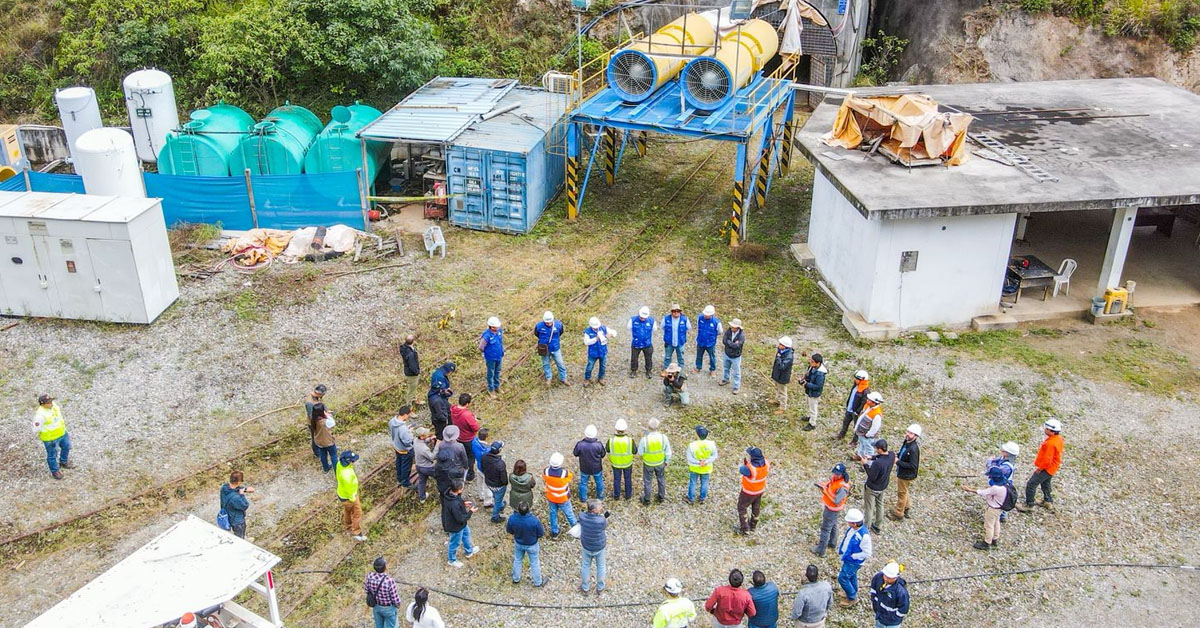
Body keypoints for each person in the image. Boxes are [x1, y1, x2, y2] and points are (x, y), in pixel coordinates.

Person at [1018, 419, 1064, 512]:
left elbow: (1047, 460)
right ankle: (1048, 501)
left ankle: (1029, 505)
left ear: (1052, 431)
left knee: (1031, 484)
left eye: (1046, 429)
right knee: (1045, 483)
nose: (1045, 430)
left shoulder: (1050, 444)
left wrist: (1040, 469)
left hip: (1046, 468)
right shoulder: (1058, 439)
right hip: (1053, 468)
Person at [961, 466, 1010, 550]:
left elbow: (983, 492)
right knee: (996, 522)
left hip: (993, 508)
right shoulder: (1006, 484)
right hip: (1000, 508)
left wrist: (969, 489)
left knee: (989, 525)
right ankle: (995, 539)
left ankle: (987, 543)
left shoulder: (995, 488)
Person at [811, 463, 850, 557]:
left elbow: (836, 501)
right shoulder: (836, 480)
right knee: (833, 525)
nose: (835, 475)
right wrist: (823, 485)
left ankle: (820, 550)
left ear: (842, 474)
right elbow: (830, 484)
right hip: (831, 509)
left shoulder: (843, 487)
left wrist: (825, 492)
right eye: (834, 473)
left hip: (832, 509)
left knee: (825, 529)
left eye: (837, 474)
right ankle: (832, 543)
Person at [836, 508, 872, 607]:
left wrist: (854, 556)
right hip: (848, 559)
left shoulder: (864, 536)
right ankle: (852, 590)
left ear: (855, 524)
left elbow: (867, 553)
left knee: (842, 578)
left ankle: (852, 597)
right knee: (851, 576)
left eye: (849, 522)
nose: (847, 523)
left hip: (854, 562)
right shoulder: (852, 529)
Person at [506, 502, 546, 586]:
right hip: (532, 544)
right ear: (528, 509)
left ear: (518, 509)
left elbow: (509, 531)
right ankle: (538, 582)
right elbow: (541, 533)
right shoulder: (534, 520)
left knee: (517, 560)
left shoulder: (512, 519)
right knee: (534, 563)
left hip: (519, 543)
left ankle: (516, 579)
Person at [860, 439, 895, 535]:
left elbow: (871, 476)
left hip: (872, 488)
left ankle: (866, 528)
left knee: (869, 508)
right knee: (880, 505)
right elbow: (882, 456)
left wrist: (865, 464)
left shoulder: (878, 464)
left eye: (876, 448)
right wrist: (871, 457)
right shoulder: (891, 455)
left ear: (879, 449)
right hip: (883, 486)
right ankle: (877, 525)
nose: (875, 449)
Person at [442, 479, 478, 567]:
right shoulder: (453, 504)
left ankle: (469, 551)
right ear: (459, 489)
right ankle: (451, 560)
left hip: (461, 525)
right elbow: (460, 519)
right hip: (455, 526)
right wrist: (470, 512)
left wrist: (463, 504)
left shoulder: (450, 495)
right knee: (454, 543)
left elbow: (458, 502)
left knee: (466, 534)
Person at [33, 394, 71, 479]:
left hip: (62, 433)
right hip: (51, 439)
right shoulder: (40, 416)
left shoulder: (54, 405)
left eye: (51, 400)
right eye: (48, 402)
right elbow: (35, 429)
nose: (51, 403)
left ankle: (63, 462)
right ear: (42, 404)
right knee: (52, 455)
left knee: (67, 447)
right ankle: (55, 471)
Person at [890, 424, 922, 521]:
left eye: (911, 433)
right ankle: (906, 507)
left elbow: (913, 466)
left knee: (902, 493)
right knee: (905, 491)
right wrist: (898, 455)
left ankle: (899, 513)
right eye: (908, 432)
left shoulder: (913, 449)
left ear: (916, 436)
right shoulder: (906, 442)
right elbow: (902, 452)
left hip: (906, 475)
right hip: (903, 473)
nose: (907, 434)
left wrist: (898, 462)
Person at [542, 452, 577, 537]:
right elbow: (570, 476)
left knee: (553, 514)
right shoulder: (564, 473)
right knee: (569, 513)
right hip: (563, 498)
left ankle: (554, 532)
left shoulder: (546, 471)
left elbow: (544, 478)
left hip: (551, 497)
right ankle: (576, 529)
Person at [638, 418, 672, 505]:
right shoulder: (664, 438)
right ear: (658, 426)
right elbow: (668, 452)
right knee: (661, 479)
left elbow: (640, 453)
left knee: (648, 481)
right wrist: (666, 461)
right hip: (660, 463)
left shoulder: (644, 440)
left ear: (648, 427)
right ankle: (661, 496)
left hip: (648, 464)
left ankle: (647, 499)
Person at [579, 499, 609, 594]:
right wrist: (604, 517)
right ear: (594, 510)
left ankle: (585, 587)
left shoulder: (582, 516)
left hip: (586, 546)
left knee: (585, 566)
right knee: (600, 566)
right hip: (599, 547)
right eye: (599, 506)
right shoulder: (601, 520)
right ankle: (600, 587)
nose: (601, 507)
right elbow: (604, 526)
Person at [336, 450, 367, 541]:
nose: (354, 462)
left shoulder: (339, 464)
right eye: (352, 460)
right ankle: (356, 532)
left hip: (342, 494)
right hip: (350, 496)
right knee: (358, 513)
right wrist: (353, 498)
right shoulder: (347, 474)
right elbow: (349, 489)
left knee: (347, 511)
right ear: (348, 461)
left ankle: (348, 527)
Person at [738, 446, 770, 534]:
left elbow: (741, 470)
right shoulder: (766, 463)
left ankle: (745, 529)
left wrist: (746, 464)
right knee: (756, 507)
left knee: (742, 508)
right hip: (760, 490)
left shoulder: (750, 469)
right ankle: (753, 525)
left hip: (748, 491)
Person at [870, 561, 910, 628]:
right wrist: (875, 603)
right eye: (885, 575)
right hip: (879, 616)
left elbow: (903, 609)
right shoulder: (878, 578)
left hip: (892, 623)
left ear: (896, 577)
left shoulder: (901, 592)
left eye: (889, 577)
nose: (885, 578)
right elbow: (873, 590)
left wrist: (893, 617)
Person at [685, 425, 718, 505]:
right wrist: (705, 462)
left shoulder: (692, 445)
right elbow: (714, 456)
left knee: (693, 483)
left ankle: (690, 498)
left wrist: (698, 462)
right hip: (706, 468)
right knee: (705, 483)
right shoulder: (711, 444)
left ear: (696, 435)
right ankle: (702, 498)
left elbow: (689, 458)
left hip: (694, 468)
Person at [434, 425, 468, 502]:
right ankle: (456, 499)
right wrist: (466, 467)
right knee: (456, 486)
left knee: (445, 485)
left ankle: (445, 498)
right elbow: (464, 459)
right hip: (456, 470)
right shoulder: (459, 446)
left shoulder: (441, 444)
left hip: (444, 469)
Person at [450, 394, 480, 482]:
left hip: (458, 437)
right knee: (470, 456)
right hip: (468, 439)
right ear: (467, 404)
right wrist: (474, 420)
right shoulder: (466, 415)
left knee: (460, 455)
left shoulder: (453, 409)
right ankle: (469, 475)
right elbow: (475, 428)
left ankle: (460, 471)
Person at [535, 311, 569, 387]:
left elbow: (561, 332)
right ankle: (549, 378)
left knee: (560, 363)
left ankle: (563, 378)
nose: (549, 324)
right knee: (546, 363)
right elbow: (536, 334)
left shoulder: (558, 325)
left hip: (555, 348)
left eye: (550, 322)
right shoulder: (539, 326)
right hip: (544, 349)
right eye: (547, 323)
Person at [573, 424, 607, 501]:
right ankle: (600, 497)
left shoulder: (580, 444)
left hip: (584, 467)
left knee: (583, 483)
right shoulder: (598, 444)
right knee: (599, 482)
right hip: (596, 468)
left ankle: (583, 498)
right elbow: (603, 454)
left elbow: (575, 453)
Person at [365, 556, 400, 628]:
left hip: (376, 606)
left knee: (378, 625)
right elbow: (395, 598)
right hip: (388, 608)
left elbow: (366, 590)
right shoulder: (389, 581)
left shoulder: (369, 576)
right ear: (385, 567)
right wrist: (398, 604)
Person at [838, 370, 871, 442]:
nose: (855, 380)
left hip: (856, 412)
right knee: (845, 422)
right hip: (849, 409)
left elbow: (863, 403)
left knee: (856, 427)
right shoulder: (855, 386)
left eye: (857, 379)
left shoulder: (865, 391)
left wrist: (857, 411)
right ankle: (841, 435)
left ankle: (854, 441)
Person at [606, 419, 636, 500]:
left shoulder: (611, 440)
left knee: (617, 479)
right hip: (627, 463)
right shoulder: (630, 440)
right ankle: (628, 495)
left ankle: (616, 495)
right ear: (625, 429)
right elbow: (635, 451)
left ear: (616, 429)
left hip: (616, 463)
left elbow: (607, 450)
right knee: (627, 479)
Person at [220, 470, 254, 539]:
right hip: (237, 521)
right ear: (238, 482)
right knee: (239, 537)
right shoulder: (236, 498)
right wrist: (242, 494)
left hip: (227, 515)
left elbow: (234, 489)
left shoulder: (224, 487)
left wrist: (244, 489)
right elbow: (244, 505)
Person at [481, 440, 509, 522]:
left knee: (495, 496)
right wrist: (505, 484)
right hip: (498, 486)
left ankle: (500, 504)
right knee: (498, 500)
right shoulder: (500, 464)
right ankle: (495, 516)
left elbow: (482, 468)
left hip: (488, 482)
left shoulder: (484, 456)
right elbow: (504, 479)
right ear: (499, 450)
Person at [583, 317, 615, 386]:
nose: (596, 328)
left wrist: (611, 334)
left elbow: (614, 332)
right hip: (593, 353)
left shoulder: (603, 328)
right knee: (590, 366)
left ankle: (601, 378)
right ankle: (587, 378)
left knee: (603, 366)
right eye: (594, 327)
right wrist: (595, 339)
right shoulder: (587, 332)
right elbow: (586, 342)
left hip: (603, 352)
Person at [388, 406, 415, 489]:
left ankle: (399, 478)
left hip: (397, 446)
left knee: (399, 463)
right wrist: (410, 433)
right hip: (405, 450)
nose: (409, 417)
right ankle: (405, 482)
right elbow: (407, 442)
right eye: (408, 415)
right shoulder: (403, 428)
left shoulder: (392, 421)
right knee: (406, 467)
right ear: (405, 415)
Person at [799, 353, 827, 431]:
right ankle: (809, 416)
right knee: (808, 404)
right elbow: (808, 375)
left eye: (812, 361)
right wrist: (803, 379)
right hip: (809, 391)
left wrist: (807, 384)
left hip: (814, 394)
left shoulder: (820, 374)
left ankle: (812, 423)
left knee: (813, 408)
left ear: (818, 363)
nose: (810, 362)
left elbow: (818, 386)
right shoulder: (812, 367)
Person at [629, 306, 658, 379]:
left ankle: (648, 371)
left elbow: (655, 329)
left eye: (644, 317)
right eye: (641, 317)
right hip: (636, 343)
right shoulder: (632, 320)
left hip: (647, 343)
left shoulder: (652, 321)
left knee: (648, 358)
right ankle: (633, 371)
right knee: (634, 358)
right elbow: (629, 327)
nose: (642, 318)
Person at [853, 392, 884, 460]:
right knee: (861, 445)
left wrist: (868, 434)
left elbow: (875, 427)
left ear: (874, 402)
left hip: (867, 435)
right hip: (861, 432)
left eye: (869, 400)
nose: (867, 400)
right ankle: (860, 455)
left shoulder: (877, 414)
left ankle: (869, 463)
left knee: (869, 449)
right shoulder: (867, 406)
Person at [694, 305, 722, 375]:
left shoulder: (716, 322)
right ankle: (698, 367)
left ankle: (712, 369)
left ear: (712, 314)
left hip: (710, 343)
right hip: (700, 341)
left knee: (712, 356)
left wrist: (713, 337)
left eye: (707, 315)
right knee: (699, 355)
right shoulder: (700, 318)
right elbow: (698, 327)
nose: (705, 316)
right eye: (705, 314)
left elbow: (720, 331)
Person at [480, 316, 505, 396]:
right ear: (491, 326)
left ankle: (497, 386)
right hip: (491, 358)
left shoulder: (499, 331)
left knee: (497, 371)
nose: (497, 328)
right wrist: (488, 353)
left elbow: (500, 342)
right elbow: (481, 347)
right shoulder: (486, 336)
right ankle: (491, 389)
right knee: (491, 373)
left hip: (499, 356)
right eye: (495, 327)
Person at [719, 318, 745, 394]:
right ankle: (725, 379)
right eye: (731, 326)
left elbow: (737, 346)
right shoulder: (728, 331)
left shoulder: (741, 336)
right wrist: (732, 343)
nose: (732, 328)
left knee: (736, 372)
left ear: (738, 328)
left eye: (734, 327)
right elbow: (724, 341)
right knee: (726, 368)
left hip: (736, 356)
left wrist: (729, 342)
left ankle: (736, 387)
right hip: (727, 354)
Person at [310, 402, 338, 473]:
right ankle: (337, 471)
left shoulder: (313, 420)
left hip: (318, 441)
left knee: (323, 455)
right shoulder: (325, 422)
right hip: (328, 442)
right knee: (333, 456)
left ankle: (326, 468)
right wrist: (326, 414)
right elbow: (333, 423)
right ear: (322, 412)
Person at [661, 304, 691, 369]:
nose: (676, 313)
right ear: (671, 312)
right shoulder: (666, 319)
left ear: (680, 312)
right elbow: (663, 327)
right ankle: (666, 369)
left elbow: (688, 328)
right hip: (669, 342)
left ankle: (680, 370)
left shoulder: (685, 319)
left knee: (681, 357)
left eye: (678, 311)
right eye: (674, 311)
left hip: (680, 342)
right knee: (667, 357)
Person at [413, 428, 438, 502]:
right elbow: (432, 457)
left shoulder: (415, 440)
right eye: (426, 434)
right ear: (421, 436)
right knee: (440, 477)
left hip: (418, 466)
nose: (428, 434)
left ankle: (422, 498)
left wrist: (430, 439)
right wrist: (437, 446)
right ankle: (441, 493)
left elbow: (423, 441)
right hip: (428, 468)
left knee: (422, 481)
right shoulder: (424, 448)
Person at [770, 337, 794, 413]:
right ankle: (777, 400)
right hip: (777, 375)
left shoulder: (789, 356)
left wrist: (779, 358)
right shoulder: (780, 351)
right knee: (777, 388)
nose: (778, 345)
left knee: (782, 392)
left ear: (785, 346)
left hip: (782, 377)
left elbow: (782, 366)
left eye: (780, 344)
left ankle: (783, 407)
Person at [470, 427, 493, 506]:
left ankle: (481, 495)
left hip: (478, 465)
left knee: (479, 481)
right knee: (487, 485)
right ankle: (487, 502)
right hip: (485, 469)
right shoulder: (487, 450)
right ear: (486, 437)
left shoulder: (474, 442)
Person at [305, 384, 327, 459]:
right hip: (313, 423)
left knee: (323, 435)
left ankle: (325, 446)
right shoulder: (309, 403)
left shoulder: (318, 398)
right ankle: (317, 453)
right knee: (315, 437)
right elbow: (311, 415)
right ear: (319, 393)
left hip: (320, 420)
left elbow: (322, 405)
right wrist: (321, 418)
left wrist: (326, 411)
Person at [400, 336, 421, 408]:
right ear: (413, 341)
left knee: (413, 388)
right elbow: (412, 366)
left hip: (408, 371)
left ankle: (414, 400)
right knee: (411, 391)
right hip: (412, 375)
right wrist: (417, 372)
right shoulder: (410, 354)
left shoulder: (404, 348)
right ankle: (409, 407)